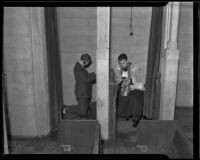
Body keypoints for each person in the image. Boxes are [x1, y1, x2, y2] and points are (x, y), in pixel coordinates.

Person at [115, 53, 144, 127]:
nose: (122, 65)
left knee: (134, 98)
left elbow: (139, 80)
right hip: (125, 86)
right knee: (121, 96)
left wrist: (130, 82)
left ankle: (136, 118)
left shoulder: (134, 67)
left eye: (124, 63)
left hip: (135, 87)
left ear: (127, 61)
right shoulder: (118, 68)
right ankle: (126, 114)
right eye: (120, 63)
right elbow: (118, 79)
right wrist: (122, 81)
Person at [73, 54, 96, 119]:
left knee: (83, 110)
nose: (86, 65)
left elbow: (85, 76)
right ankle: (66, 109)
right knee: (82, 111)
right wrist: (96, 75)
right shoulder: (78, 68)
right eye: (87, 63)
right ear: (84, 61)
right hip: (82, 93)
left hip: (84, 93)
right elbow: (87, 79)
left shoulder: (80, 67)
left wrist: (93, 74)